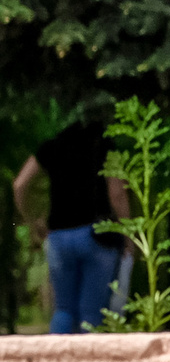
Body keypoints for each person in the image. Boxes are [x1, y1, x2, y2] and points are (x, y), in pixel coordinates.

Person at [14, 115, 131, 334]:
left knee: (64, 310)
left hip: (58, 238)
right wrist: (129, 235)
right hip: (97, 236)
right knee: (91, 313)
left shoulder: (52, 146)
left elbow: (20, 185)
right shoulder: (104, 145)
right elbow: (117, 194)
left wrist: (33, 221)